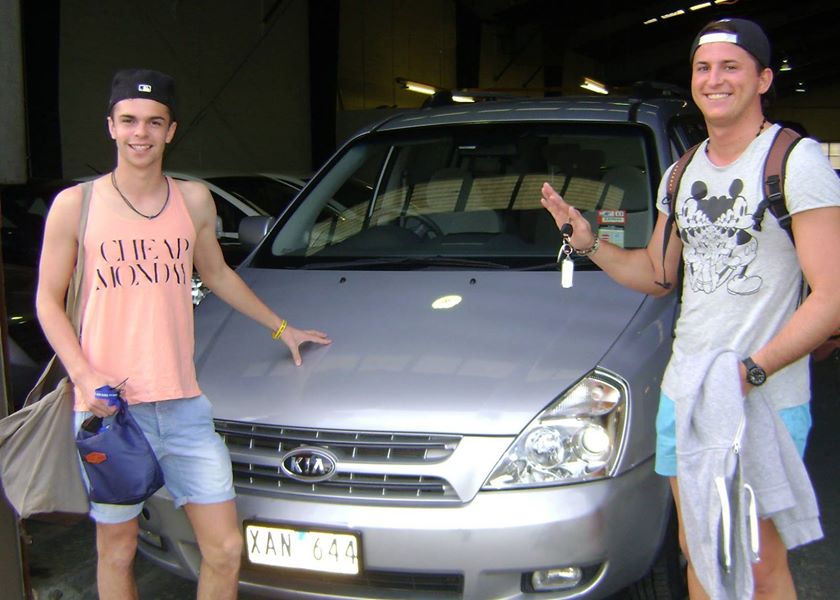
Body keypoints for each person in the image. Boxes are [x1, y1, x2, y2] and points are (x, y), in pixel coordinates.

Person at [541, 18, 840, 600]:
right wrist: (588, 242)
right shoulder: (682, 173)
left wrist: (751, 371)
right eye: (703, 68)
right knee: (698, 550)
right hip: (687, 393)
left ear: (763, 79)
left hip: (763, 395)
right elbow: (656, 275)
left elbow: (830, 296)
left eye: (731, 66)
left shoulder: (795, 161)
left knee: (758, 562)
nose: (714, 79)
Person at [35, 68, 331, 600]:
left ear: (171, 131)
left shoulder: (193, 200)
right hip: (111, 413)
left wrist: (282, 328)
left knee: (224, 550)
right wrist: (82, 374)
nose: (140, 133)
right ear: (111, 126)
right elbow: (46, 301)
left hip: (184, 409)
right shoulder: (76, 205)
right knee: (117, 550)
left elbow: (217, 274)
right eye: (129, 120)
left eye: (154, 122)